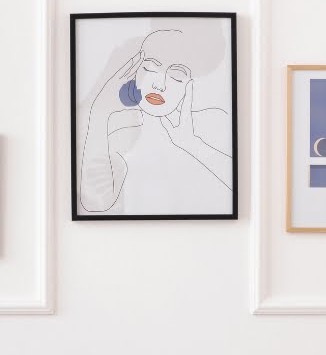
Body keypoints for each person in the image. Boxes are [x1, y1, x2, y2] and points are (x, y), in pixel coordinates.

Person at [78, 28, 232, 215]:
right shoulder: (118, 135)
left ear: (191, 85)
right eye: (151, 67)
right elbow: (96, 210)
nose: (160, 84)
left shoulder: (213, 123)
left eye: (177, 75)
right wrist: (97, 116)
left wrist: (191, 143)